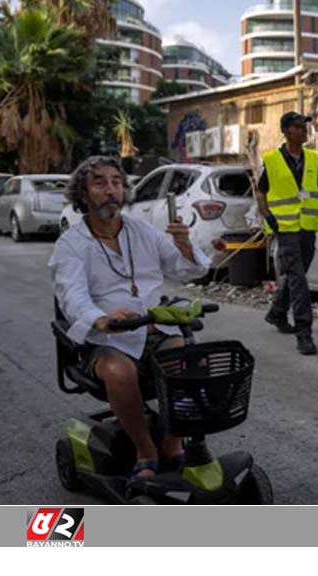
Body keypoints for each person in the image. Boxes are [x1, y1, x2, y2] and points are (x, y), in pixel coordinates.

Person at [49, 156, 211, 480]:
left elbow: (189, 270)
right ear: (83, 194)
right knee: (119, 371)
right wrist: (101, 318)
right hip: (107, 339)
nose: (110, 190)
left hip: (156, 329)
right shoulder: (71, 244)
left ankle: (171, 444)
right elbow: (72, 296)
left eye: (116, 182)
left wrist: (186, 246)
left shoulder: (143, 231)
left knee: (188, 361)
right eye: (99, 183)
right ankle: (145, 450)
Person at [256, 111, 318, 356]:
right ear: (286, 131)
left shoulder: (313, 159)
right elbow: (262, 191)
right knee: (298, 279)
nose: (304, 130)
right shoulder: (273, 160)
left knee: (297, 274)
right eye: (298, 127)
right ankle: (304, 333)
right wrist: (266, 214)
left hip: (307, 226)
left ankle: (276, 313)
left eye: (305, 126)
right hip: (285, 228)